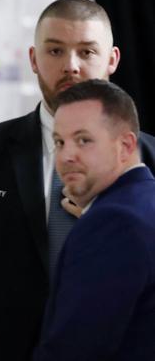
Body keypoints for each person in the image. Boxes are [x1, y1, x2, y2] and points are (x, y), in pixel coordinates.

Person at [0, 0, 155, 360]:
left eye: (87, 51)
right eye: (56, 51)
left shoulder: (150, 161)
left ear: (112, 60)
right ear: (33, 59)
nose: (71, 67)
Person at [34, 79, 155, 360]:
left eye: (83, 140)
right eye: (59, 142)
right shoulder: (144, 201)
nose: (66, 156)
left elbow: (74, 350)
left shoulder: (114, 222)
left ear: (125, 146)